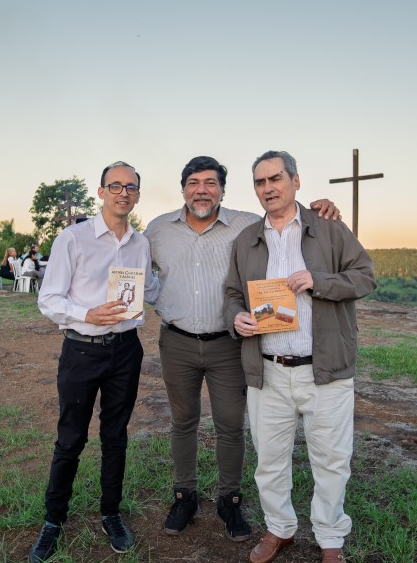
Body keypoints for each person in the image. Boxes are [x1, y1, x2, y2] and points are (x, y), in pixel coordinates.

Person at [145, 155, 341, 542]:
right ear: (182, 188)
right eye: (193, 183)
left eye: (211, 183)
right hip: (178, 342)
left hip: (229, 344)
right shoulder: (156, 230)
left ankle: (229, 500)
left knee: (231, 425)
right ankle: (184, 495)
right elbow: (131, 268)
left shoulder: (247, 225)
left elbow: (285, 217)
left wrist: (322, 208)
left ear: (223, 189)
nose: (202, 190)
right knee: (183, 422)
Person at [223, 150, 375, 563]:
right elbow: (233, 293)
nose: (267, 188)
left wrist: (319, 281)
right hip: (268, 370)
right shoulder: (247, 239)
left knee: (331, 460)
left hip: (324, 371)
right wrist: (237, 316)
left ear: (295, 181)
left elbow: (365, 276)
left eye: (275, 178)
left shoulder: (327, 227)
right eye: (259, 182)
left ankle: (330, 539)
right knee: (269, 460)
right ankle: (280, 528)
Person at [28, 161, 158, 563]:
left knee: (115, 435)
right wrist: (88, 314)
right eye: (115, 186)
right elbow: (49, 299)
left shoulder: (141, 244)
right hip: (82, 350)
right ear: (101, 192)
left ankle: (111, 514)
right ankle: (53, 521)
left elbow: (150, 288)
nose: (124, 193)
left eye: (131, 187)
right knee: (71, 438)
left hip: (126, 350)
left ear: (137, 194)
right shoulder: (74, 238)